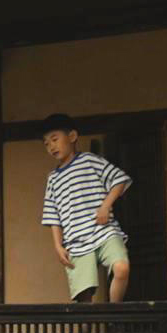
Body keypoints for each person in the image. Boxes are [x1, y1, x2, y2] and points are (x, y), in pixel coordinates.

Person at [40, 113, 133, 302]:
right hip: (75, 241)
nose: (51, 146)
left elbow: (119, 180)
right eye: (46, 143)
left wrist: (105, 207)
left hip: (104, 231)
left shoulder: (90, 160)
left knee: (122, 268)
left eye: (55, 139)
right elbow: (53, 216)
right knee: (84, 297)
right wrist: (58, 246)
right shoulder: (53, 179)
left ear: (72, 136)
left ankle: (113, 314)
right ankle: (86, 332)